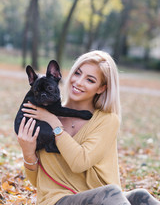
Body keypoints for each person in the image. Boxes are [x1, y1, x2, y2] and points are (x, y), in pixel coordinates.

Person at [17, 50, 160, 205]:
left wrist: (55, 124)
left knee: (140, 196)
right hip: (57, 200)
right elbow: (37, 182)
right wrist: (28, 152)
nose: (78, 82)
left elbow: (80, 162)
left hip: (104, 197)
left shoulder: (106, 120)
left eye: (90, 80)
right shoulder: (40, 117)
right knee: (111, 193)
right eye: (77, 73)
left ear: (101, 88)